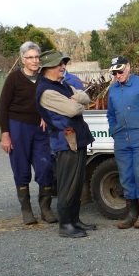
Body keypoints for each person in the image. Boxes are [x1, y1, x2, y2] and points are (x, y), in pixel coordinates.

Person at [35, 50, 95, 238]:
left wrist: (76, 99)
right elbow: (73, 109)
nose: (63, 67)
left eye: (63, 63)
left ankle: (75, 220)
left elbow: (86, 98)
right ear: (47, 68)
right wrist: (76, 101)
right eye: (58, 64)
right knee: (67, 184)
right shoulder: (46, 91)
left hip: (77, 139)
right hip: (65, 141)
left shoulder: (62, 85)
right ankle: (65, 225)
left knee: (77, 183)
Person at [0, 41, 57, 225]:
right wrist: (5, 133)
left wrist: (45, 115)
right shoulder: (14, 78)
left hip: (40, 129)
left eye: (37, 57)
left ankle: (46, 208)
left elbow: (51, 100)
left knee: (45, 167)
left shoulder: (44, 78)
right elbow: (3, 107)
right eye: (30, 57)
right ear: (22, 59)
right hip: (18, 127)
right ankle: (26, 209)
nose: (34, 61)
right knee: (21, 168)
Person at [106, 56, 139, 229]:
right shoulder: (112, 90)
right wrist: (114, 130)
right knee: (125, 175)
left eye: (120, 71)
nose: (118, 75)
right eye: (114, 73)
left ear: (128, 67)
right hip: (121, 138)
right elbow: (110, 114)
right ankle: (131, 213)